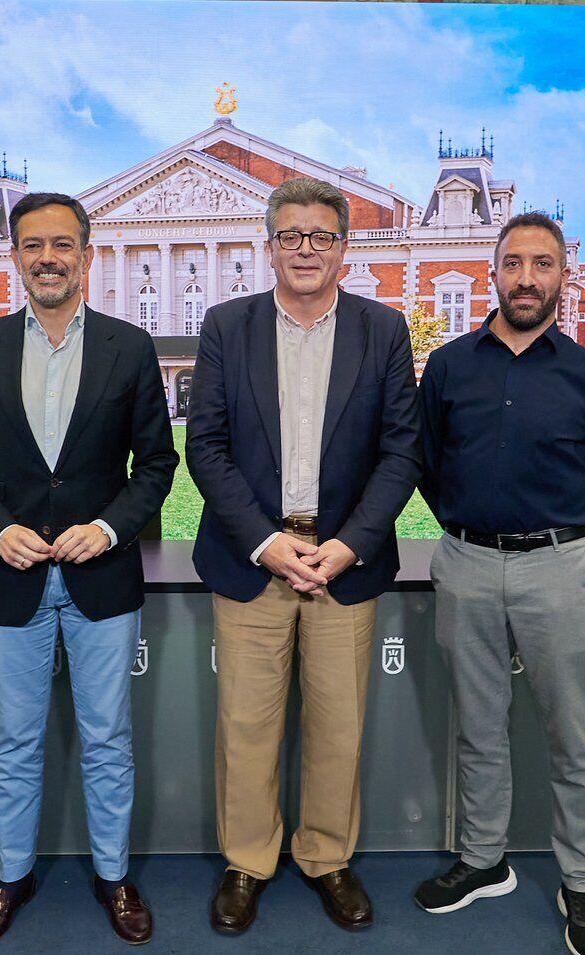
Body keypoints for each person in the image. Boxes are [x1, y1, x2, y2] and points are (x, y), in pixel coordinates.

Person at [0, 192, 177, 948]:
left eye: (62, 244)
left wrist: (106, 527)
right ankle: (11, 878)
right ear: (14, 256)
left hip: (101, 579)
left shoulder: (129, 346)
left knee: (107, 736)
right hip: (11, 579)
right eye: (33, 244)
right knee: (14, 738)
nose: (47, 257)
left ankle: (114, 876)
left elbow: (157, 465)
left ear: (86, 254)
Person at [186, 177, 422, 935]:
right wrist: (265, 541)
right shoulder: (227, 326)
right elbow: (206, 447)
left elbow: (400, 451)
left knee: (336, 723)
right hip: (251, 558)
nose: (306, 249)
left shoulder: (382, 329)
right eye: (291, 236)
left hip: (340, 566)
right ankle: (247, 862)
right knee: (247, 727)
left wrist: (347, 546)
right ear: (269, 246)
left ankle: (325, 858)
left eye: (322, 236)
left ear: (344, 249)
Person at [413, 212, 585, 955]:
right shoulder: (447, 367)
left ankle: (582, 886)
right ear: (492, 272)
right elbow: (426, 464)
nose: (526, 277)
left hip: (560, 567)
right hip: (466, 562)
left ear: (561, 274)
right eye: (513, 263)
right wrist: (473, 527)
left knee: (572, 740)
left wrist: (557, 544)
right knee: (478, 728)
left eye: (542, 263)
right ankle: (483, 859)